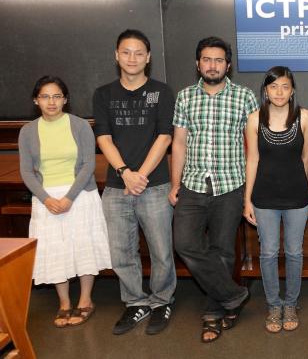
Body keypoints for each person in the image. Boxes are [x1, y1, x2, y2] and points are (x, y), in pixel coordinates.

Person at [171, 36, 258, 343]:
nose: (212, 65)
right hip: (192, 184)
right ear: (198, 64)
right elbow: (179, 144)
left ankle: (214, 313)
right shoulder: (184, 97)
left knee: (223, 251)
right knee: (184, 243)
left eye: (219, 60)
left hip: (230, 184)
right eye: (207, 59)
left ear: (228, 65)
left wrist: (249, 193)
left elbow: (252, 150)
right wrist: (174, 184)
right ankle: (234, 295)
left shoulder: (245, 97)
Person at [93, 29, 177, 335]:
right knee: (121, 251)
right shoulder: (104, 94)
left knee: (161, 250)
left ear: (148, 57)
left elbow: (165, 136)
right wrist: (125, 172)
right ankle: (134, 302)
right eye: (126, 52)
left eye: (139, 53)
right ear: (116, 55)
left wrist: (139, 175)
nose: (132, 58)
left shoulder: (162, 92)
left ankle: (161, 300)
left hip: (154, 185)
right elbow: (103, 137)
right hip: (117, 186)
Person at [19, 76, 112, 327]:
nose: (51, 102)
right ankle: (63, 302)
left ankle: (85, 300)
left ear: (65, 99)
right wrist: (47, 199)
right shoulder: (27, 131)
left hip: (80, 195)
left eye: (57, 96)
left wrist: (69, 197)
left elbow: (88, 164)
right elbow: (27, 171)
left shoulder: (80, 125)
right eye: (45, 96)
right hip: (45, 198)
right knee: (55, 250)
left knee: (84, 246)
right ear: (35, 100)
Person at [243, 66, 308, 333]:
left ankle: (291, 303)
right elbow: (252, 159)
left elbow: (306, 156)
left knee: (294, 252)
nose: (279, 92)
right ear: (266, 90)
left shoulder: (305, 117)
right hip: (264, 197)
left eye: (285, 86)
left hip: (297, 197)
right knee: (269, 252)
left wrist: (300, 184)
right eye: (274, 87)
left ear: (292, 89)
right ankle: (274, 305)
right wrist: (248, 200)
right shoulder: (254, 119)